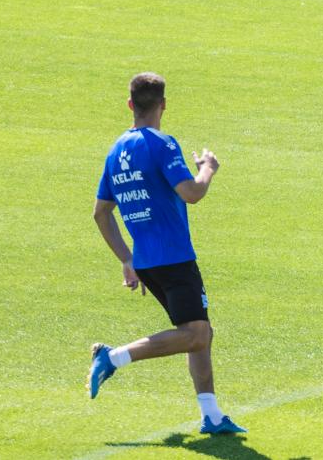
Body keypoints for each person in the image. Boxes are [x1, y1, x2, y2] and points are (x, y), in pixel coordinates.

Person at [89, 72, 246, 435]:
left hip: (146, 260)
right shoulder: (162, 144)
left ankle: (212, 415)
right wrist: (206, 169)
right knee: (196, 334)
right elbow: (191, 192)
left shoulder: (116, 151)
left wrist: (126, 259)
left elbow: (101, 212)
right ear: (163, 105)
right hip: (173, 256)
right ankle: (112, 357)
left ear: (130, 105)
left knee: (199, 330)